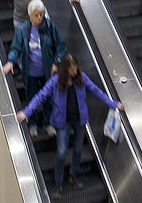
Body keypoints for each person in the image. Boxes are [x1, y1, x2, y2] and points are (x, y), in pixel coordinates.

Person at [17, 54, 123, 200]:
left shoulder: (82, 78)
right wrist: (26, 112)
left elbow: (96, 91)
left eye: (76, 70)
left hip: (79, 121)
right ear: (65, 70)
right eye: (72, 70)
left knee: (78, 149)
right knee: (61, 152)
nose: (74, 73)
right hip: (63, 122)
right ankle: (58, 182)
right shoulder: (55, 81)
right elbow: (40, 96)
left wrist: (114, 104)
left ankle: (73, 175)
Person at [2, 0, 66, 137]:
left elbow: (60, 46)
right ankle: (33, 124)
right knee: (31, 97)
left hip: (47, 71)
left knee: (49, 97)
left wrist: (56, 62)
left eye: (41, 14)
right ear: (30, 16)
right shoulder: (23, 30)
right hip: (30, 72)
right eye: (36, 15)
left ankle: (48, 123)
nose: (39, 17)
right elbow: (16, 48)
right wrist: (11, 61)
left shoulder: (50, 27)